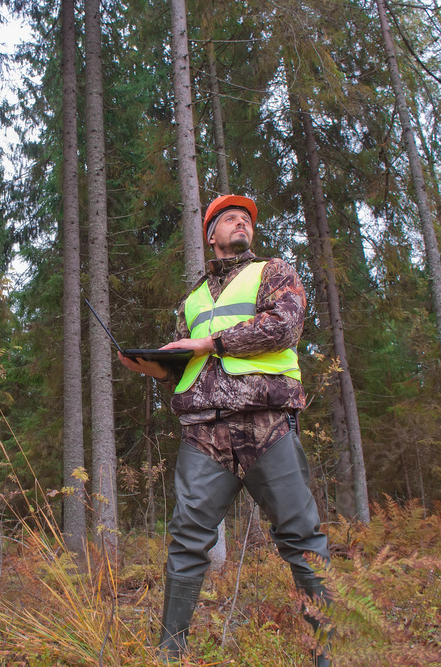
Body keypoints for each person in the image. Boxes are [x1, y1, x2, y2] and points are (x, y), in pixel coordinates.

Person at [118, 194, 332, 666]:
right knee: (187, 540)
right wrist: (155, 368)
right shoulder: (191, 299)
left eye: (246, 219)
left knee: (301, 537)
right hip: (202, 435)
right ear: (210, 235)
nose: (241, 223)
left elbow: (285, 327)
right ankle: (169, 656)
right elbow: (188, 365)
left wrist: (209, 342)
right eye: (229, 219)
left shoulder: (273, 272)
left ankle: (332, 655)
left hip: (267, 425)